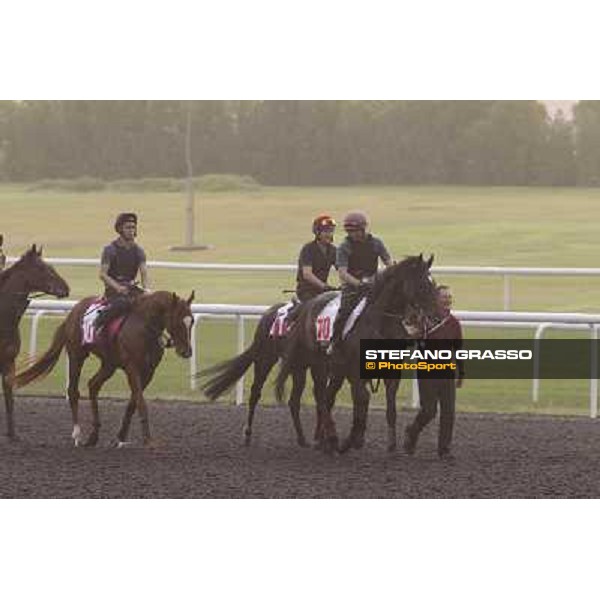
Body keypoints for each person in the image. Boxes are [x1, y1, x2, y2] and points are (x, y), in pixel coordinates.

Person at [403, 285, 465, 460]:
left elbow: (458, 348)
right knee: (429, 411)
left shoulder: (454, 323)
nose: (447, 300)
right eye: (444, 297)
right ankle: (413, 431)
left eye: (449, 297)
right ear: (436, 300)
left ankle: (444, 450)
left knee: (448, 412)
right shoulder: (425, 321)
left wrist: (461, 372)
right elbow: (410, 334)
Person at [328, 211, 392, 353]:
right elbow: (342, 272)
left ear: (363, 229)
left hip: (374, 285)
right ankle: (335, 342)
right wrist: (359, 284)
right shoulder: (344, 247)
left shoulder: (376, 243)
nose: (354, 234)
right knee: (344, 312)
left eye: (356, 231)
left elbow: (389, 263)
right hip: (352, 288)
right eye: (350, 231)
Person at [94, 212, 150, 332]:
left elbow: (144, 273)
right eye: (128, 227)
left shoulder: (139, 251)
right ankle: (98, 325)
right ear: (120, 229)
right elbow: (102, 274)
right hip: (113, 292)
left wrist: (146, 290)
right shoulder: (110, 250)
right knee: (123, 304)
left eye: (133, 227)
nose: (131, 230)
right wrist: (118, 287)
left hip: (131, 289)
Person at [295, 214, 337, 302]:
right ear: (317, 232)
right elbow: (307, 274)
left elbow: (341, 269)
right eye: (326, 231)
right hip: (306, 292)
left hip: (323, 292)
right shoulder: (308, 249)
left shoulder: (333, 250)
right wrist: (324, 286)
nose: (329, 234)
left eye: (331, 231)